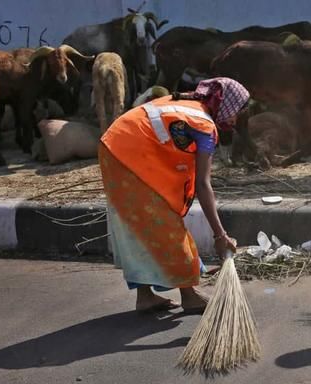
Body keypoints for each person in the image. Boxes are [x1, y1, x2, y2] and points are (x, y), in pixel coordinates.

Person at [98, 77, 249, 313]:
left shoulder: (187, 104)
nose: (235, 118)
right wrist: (220, 235)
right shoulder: (204, 126)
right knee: (166, 225)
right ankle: (189, 295)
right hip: (127, 156)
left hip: (114, 148)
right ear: (225, 104)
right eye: (237, 111)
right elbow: (202, 184)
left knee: (140, 225)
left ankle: (145, 296)